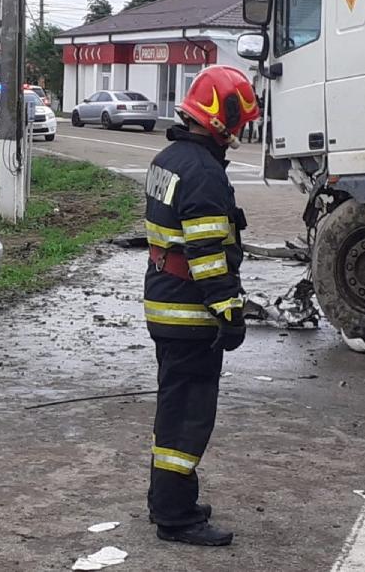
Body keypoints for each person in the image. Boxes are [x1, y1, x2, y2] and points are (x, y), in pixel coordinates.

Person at [143, 65, 260, 547]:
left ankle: (169, 500)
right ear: (223, 118)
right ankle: (176, 517)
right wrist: (230, 313)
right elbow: (208, 257)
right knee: (188, 417)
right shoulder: (204, 173)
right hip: (191, 315)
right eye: (239, 124)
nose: (239, 134)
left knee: (174, 408)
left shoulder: (168, 159)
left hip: (164, 306)